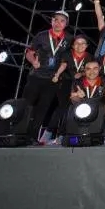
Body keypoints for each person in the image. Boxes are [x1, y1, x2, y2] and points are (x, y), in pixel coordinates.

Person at [23, 10, 73, 143]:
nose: (58, 23)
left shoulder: (69, 39)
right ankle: (19, 133)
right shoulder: (42, 35)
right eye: (55, 20)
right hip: (36, 76)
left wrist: (59, 74)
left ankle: (32, 137)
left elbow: (67, 59)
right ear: (51, 21)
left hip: (53, 79)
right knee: (27, 104)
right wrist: (33, 61)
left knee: (43, 108)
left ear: (66, 24)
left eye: (62, 21)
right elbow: (29, 52)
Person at [43, 35, 91, 144]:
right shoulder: (67, 54)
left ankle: (62, 135)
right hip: (66, 82)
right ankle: (48, 133)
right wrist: (57, 74)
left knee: (73, 109)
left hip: (80, 85)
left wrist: (82, 73)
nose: (80, 45)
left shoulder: (89, 57)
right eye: (77, 43)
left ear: (86, 46)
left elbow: (90, 69)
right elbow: (63, 65)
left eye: (83, 43)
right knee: (63, 107)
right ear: (73, 45)